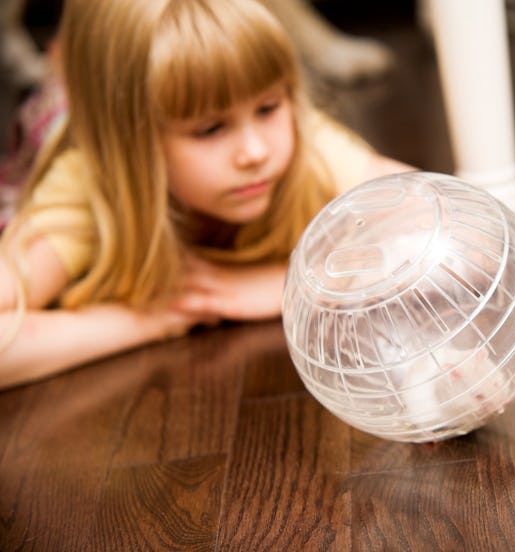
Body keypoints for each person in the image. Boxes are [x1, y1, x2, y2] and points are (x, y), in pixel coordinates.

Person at [0, 0, 414, 387]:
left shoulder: (309, 144)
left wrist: (292, 284)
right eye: (211, 129)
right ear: (134, 144)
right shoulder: (86, 189)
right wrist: (153, 318)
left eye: (269, 107)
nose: (255, 152)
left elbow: (456, 230)